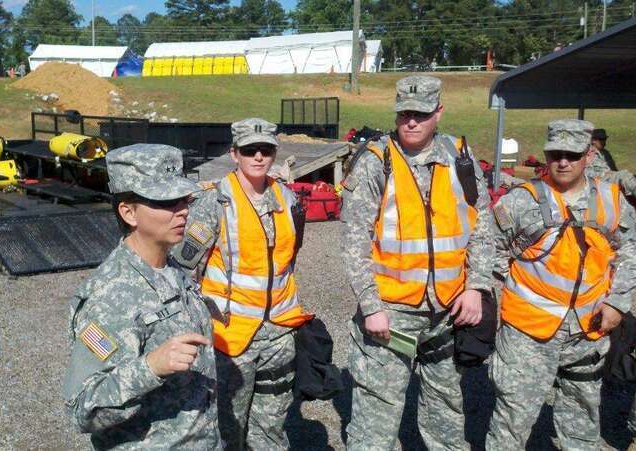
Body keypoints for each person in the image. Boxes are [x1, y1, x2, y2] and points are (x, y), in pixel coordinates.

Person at [340, 75, 494, 450]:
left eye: (421, 114)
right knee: (375, 422)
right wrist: (371, 306)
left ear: (438, 113)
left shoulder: (460, 157)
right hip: (390, 316)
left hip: (448, 311)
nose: (411, 121)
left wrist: (477, 287)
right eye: (405, 113)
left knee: (446, 416)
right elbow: (353, 241)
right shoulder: (376, 162)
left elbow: (484, 226)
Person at [486, 119, 636, 450]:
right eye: (555, 154)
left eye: (571, 154)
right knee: (511, 422)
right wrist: (516, 274)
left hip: (588, 331)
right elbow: (487, 248)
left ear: (588, 155)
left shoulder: (611, 201)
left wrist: (617, 302)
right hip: (527, 331)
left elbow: (631, 251)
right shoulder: (521, 201)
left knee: (582, 422)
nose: (563, 162)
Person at [62, 144, 221, 450]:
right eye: (166, 202)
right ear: (129, 212)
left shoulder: (174, 271)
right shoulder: (109, 296)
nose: (183, 210)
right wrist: (151, 367)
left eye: (184, 199)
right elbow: (82, 410)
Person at [173, 118, 312, 450]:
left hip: (279, 333)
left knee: (271, 432)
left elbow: (288, 261)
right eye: (250, 150)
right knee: (226, 431)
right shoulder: (214, 203)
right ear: (234, 154)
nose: (259, 157)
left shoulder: (288, 199)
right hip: (231, 339)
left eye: (266, 150)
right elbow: (182, 268)